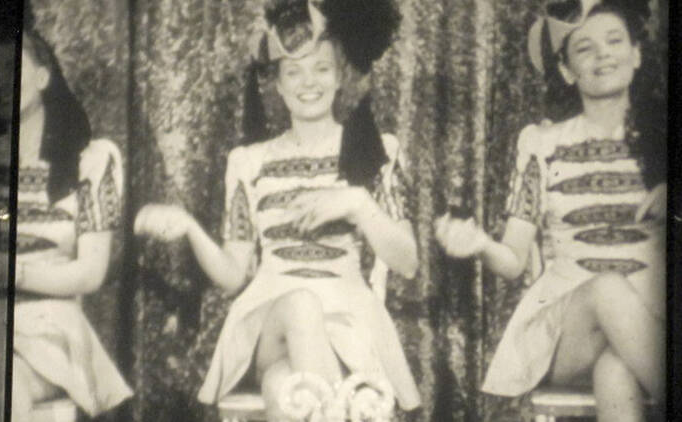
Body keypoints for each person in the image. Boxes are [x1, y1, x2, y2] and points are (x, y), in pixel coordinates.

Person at [134, 0, 420, 419]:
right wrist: (191, 229)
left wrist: (358, 205)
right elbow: (234, 276)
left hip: (351, 324)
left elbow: (409, 262)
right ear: (278, 85)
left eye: (321, 68)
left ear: (340, 76)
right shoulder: (249, 162)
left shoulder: (377, 151)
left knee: (286, 390)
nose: (309, 82)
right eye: (294, 71)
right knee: (301, 303)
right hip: (271, 320)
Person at [434, 0, 666, 420]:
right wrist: (481, 243)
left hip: (650, 320)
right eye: (584, 49)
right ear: (566, 70)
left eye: (615, 42)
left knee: (616, 369)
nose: (602, 55)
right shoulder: (542, 145)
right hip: (565, 331)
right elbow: (512, 261)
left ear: (637, 54)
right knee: (608, 287)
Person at [0, 30, 132, 421]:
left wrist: (14, 273)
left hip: (49, 324)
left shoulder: (88, 162)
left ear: (42, 77)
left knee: (3, 379)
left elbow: (90, 273)